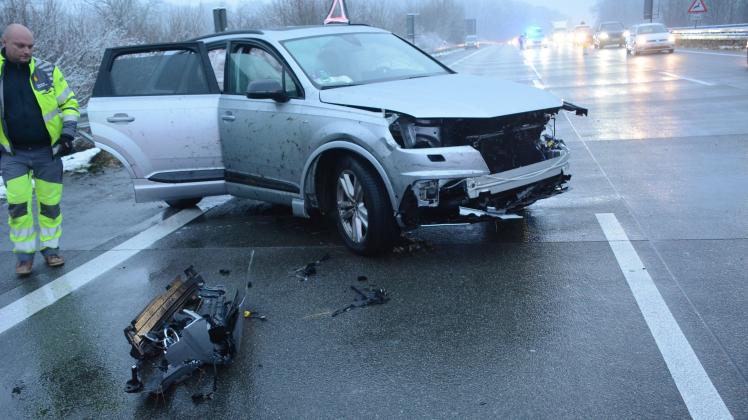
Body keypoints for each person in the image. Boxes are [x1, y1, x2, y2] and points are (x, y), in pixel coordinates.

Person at [1, 23, 79, 276]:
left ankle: (51, 249)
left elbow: (70, 102)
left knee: (50, 204)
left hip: (48, 152)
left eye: (30, 46)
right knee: (18, 204)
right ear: (4, 42)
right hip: (13, 154)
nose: (27, 51)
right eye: (20, 46)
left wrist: (67, 134)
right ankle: (24, 256)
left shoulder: (47, 70)